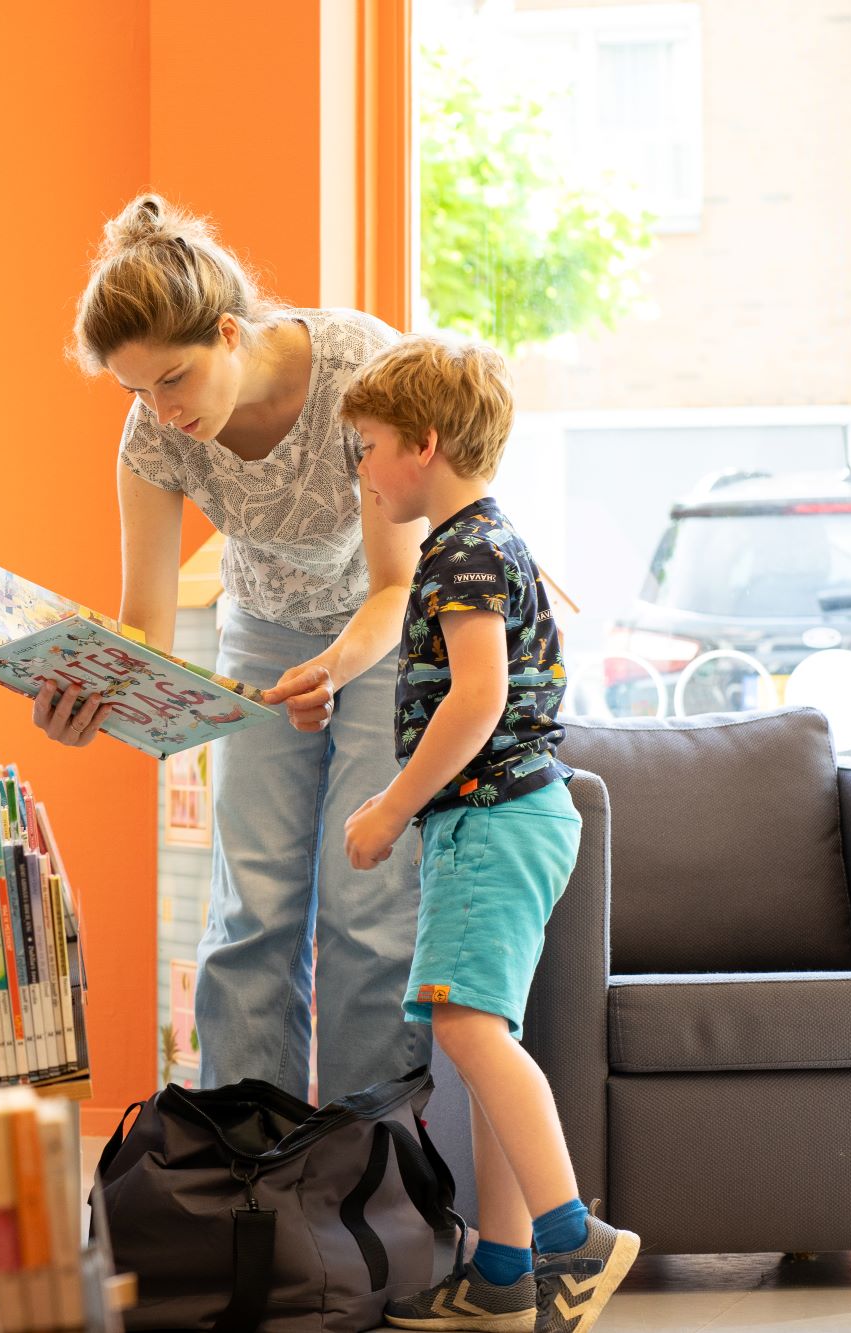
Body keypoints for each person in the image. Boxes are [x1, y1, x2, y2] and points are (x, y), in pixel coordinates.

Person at [42, 193, 429, 1104]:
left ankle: (368, 1170)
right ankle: (249, 1170)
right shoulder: (153, 438)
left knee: (366, 907)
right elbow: (141, 626)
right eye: (135, 391)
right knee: (252, 907)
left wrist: (330, 670)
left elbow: (396, 584)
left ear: (228, 332)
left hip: (380, 631)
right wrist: (91, 699)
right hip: (261, 628)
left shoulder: (358, 370)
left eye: (172, 379)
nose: (159, 411)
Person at [335, 335, 639, 1333]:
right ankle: (503, 1273)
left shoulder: (462, 550)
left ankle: (572, 1242)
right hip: (522, 815)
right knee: (482, 1034)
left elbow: (474, 701)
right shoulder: (489, 541)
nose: (359, 469)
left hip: (489, 817)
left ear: (422, 444)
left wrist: (389, 807)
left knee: (464, 1027)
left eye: (366, 445)